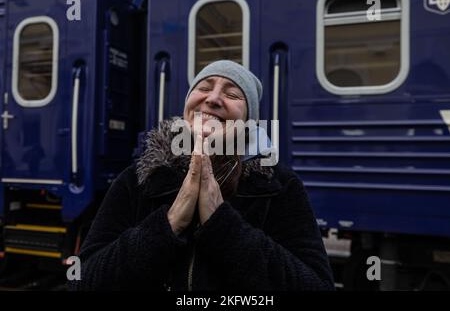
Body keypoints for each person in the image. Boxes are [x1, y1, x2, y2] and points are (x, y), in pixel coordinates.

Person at [68, 60, 334, 291]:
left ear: (249, 123)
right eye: (204, 88)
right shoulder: (139, 179)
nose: (213, 98)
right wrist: (168, 225)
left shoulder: (278, 187)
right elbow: (83, 281)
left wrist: (222, 226)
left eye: (232, 94)